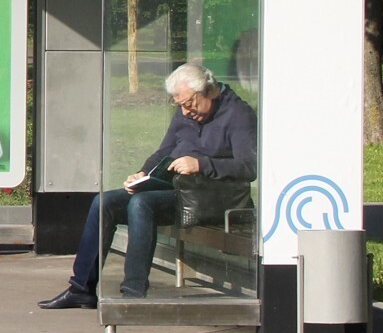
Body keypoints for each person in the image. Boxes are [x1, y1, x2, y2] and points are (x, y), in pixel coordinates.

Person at [39, 62, 258, 308]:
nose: (186, 112)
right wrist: (143, 174)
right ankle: (81, 287)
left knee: (142, 204)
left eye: (189, 104)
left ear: (208, 90)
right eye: (180, 105)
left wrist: (202, 164)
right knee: (104, 202)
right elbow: (164, 150)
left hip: (211, 196)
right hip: (179, 188)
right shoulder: (187, 111)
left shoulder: (238, 115)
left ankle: (133, 293)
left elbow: (250, 167)